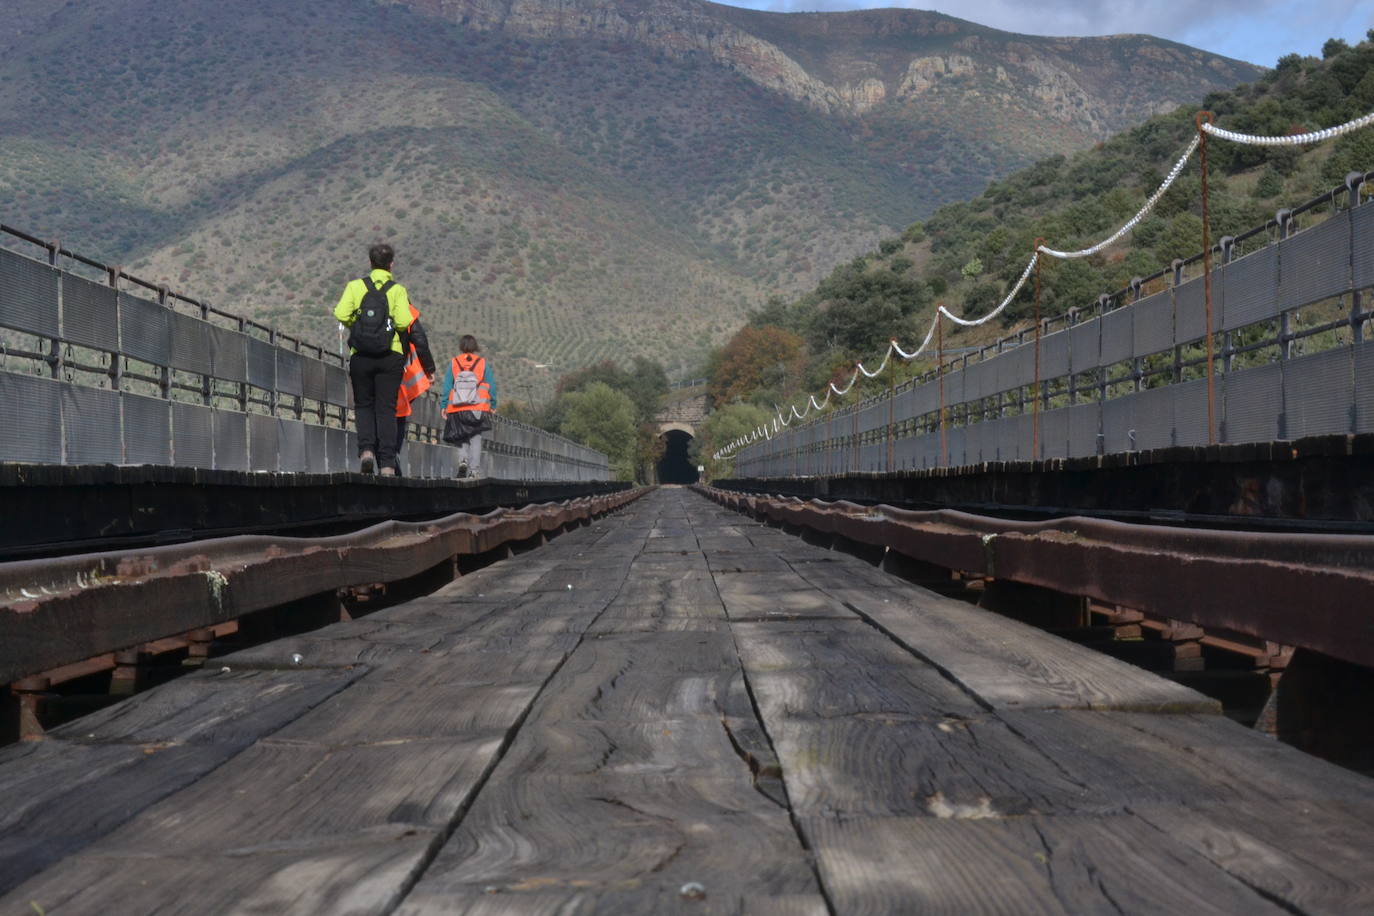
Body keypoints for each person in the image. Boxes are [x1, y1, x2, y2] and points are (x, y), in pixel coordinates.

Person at [333, 243, 414, 476]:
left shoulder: (355, 286)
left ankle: (366, 451)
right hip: (391, 355)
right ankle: (387, 464)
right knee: (386, 409)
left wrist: (357, 326)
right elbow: (402, 322)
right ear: (391, 264)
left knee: (363, 405)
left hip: (361, 355)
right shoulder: (397, 290)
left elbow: (341, 313)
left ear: (370, 262)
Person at [442, 334, 496, 478]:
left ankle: (463, 461)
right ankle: (474, 470)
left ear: (461, 346)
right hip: (477, 407)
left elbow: (447, 386)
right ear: (475, 347)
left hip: (457, 407)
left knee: (461, 436)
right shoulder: (482, 363)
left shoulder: (454, 363)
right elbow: (491, 385)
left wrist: (444, 405)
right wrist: (493, 404)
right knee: (475, 437)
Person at [392, 302, 437, 474]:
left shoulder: (366, 302)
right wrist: (429, 369)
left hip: (368, 369)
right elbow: (420, 341)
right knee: (399, 413)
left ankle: (370, 451)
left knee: (374, 411)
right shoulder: (404, 307)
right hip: (397, 371)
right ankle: (393, 453)